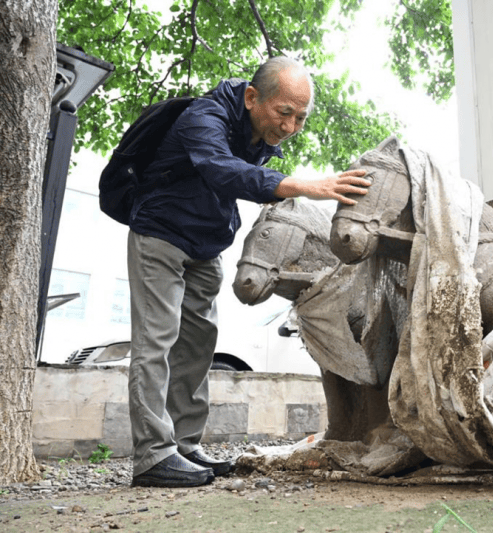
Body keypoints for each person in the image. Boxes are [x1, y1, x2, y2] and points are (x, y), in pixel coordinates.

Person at [126, 56, 370, 488]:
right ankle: (153, 456)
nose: (291, 127)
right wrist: (302, 184)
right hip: (160, 235)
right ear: (252, 98)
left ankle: (183, 445)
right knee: (157, 342)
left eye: (301, 118)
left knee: (197, 347)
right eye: (284, 113)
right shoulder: (205, 116)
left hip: (205, 246)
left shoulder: (259, 133)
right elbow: (220, 169)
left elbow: (247, 182)